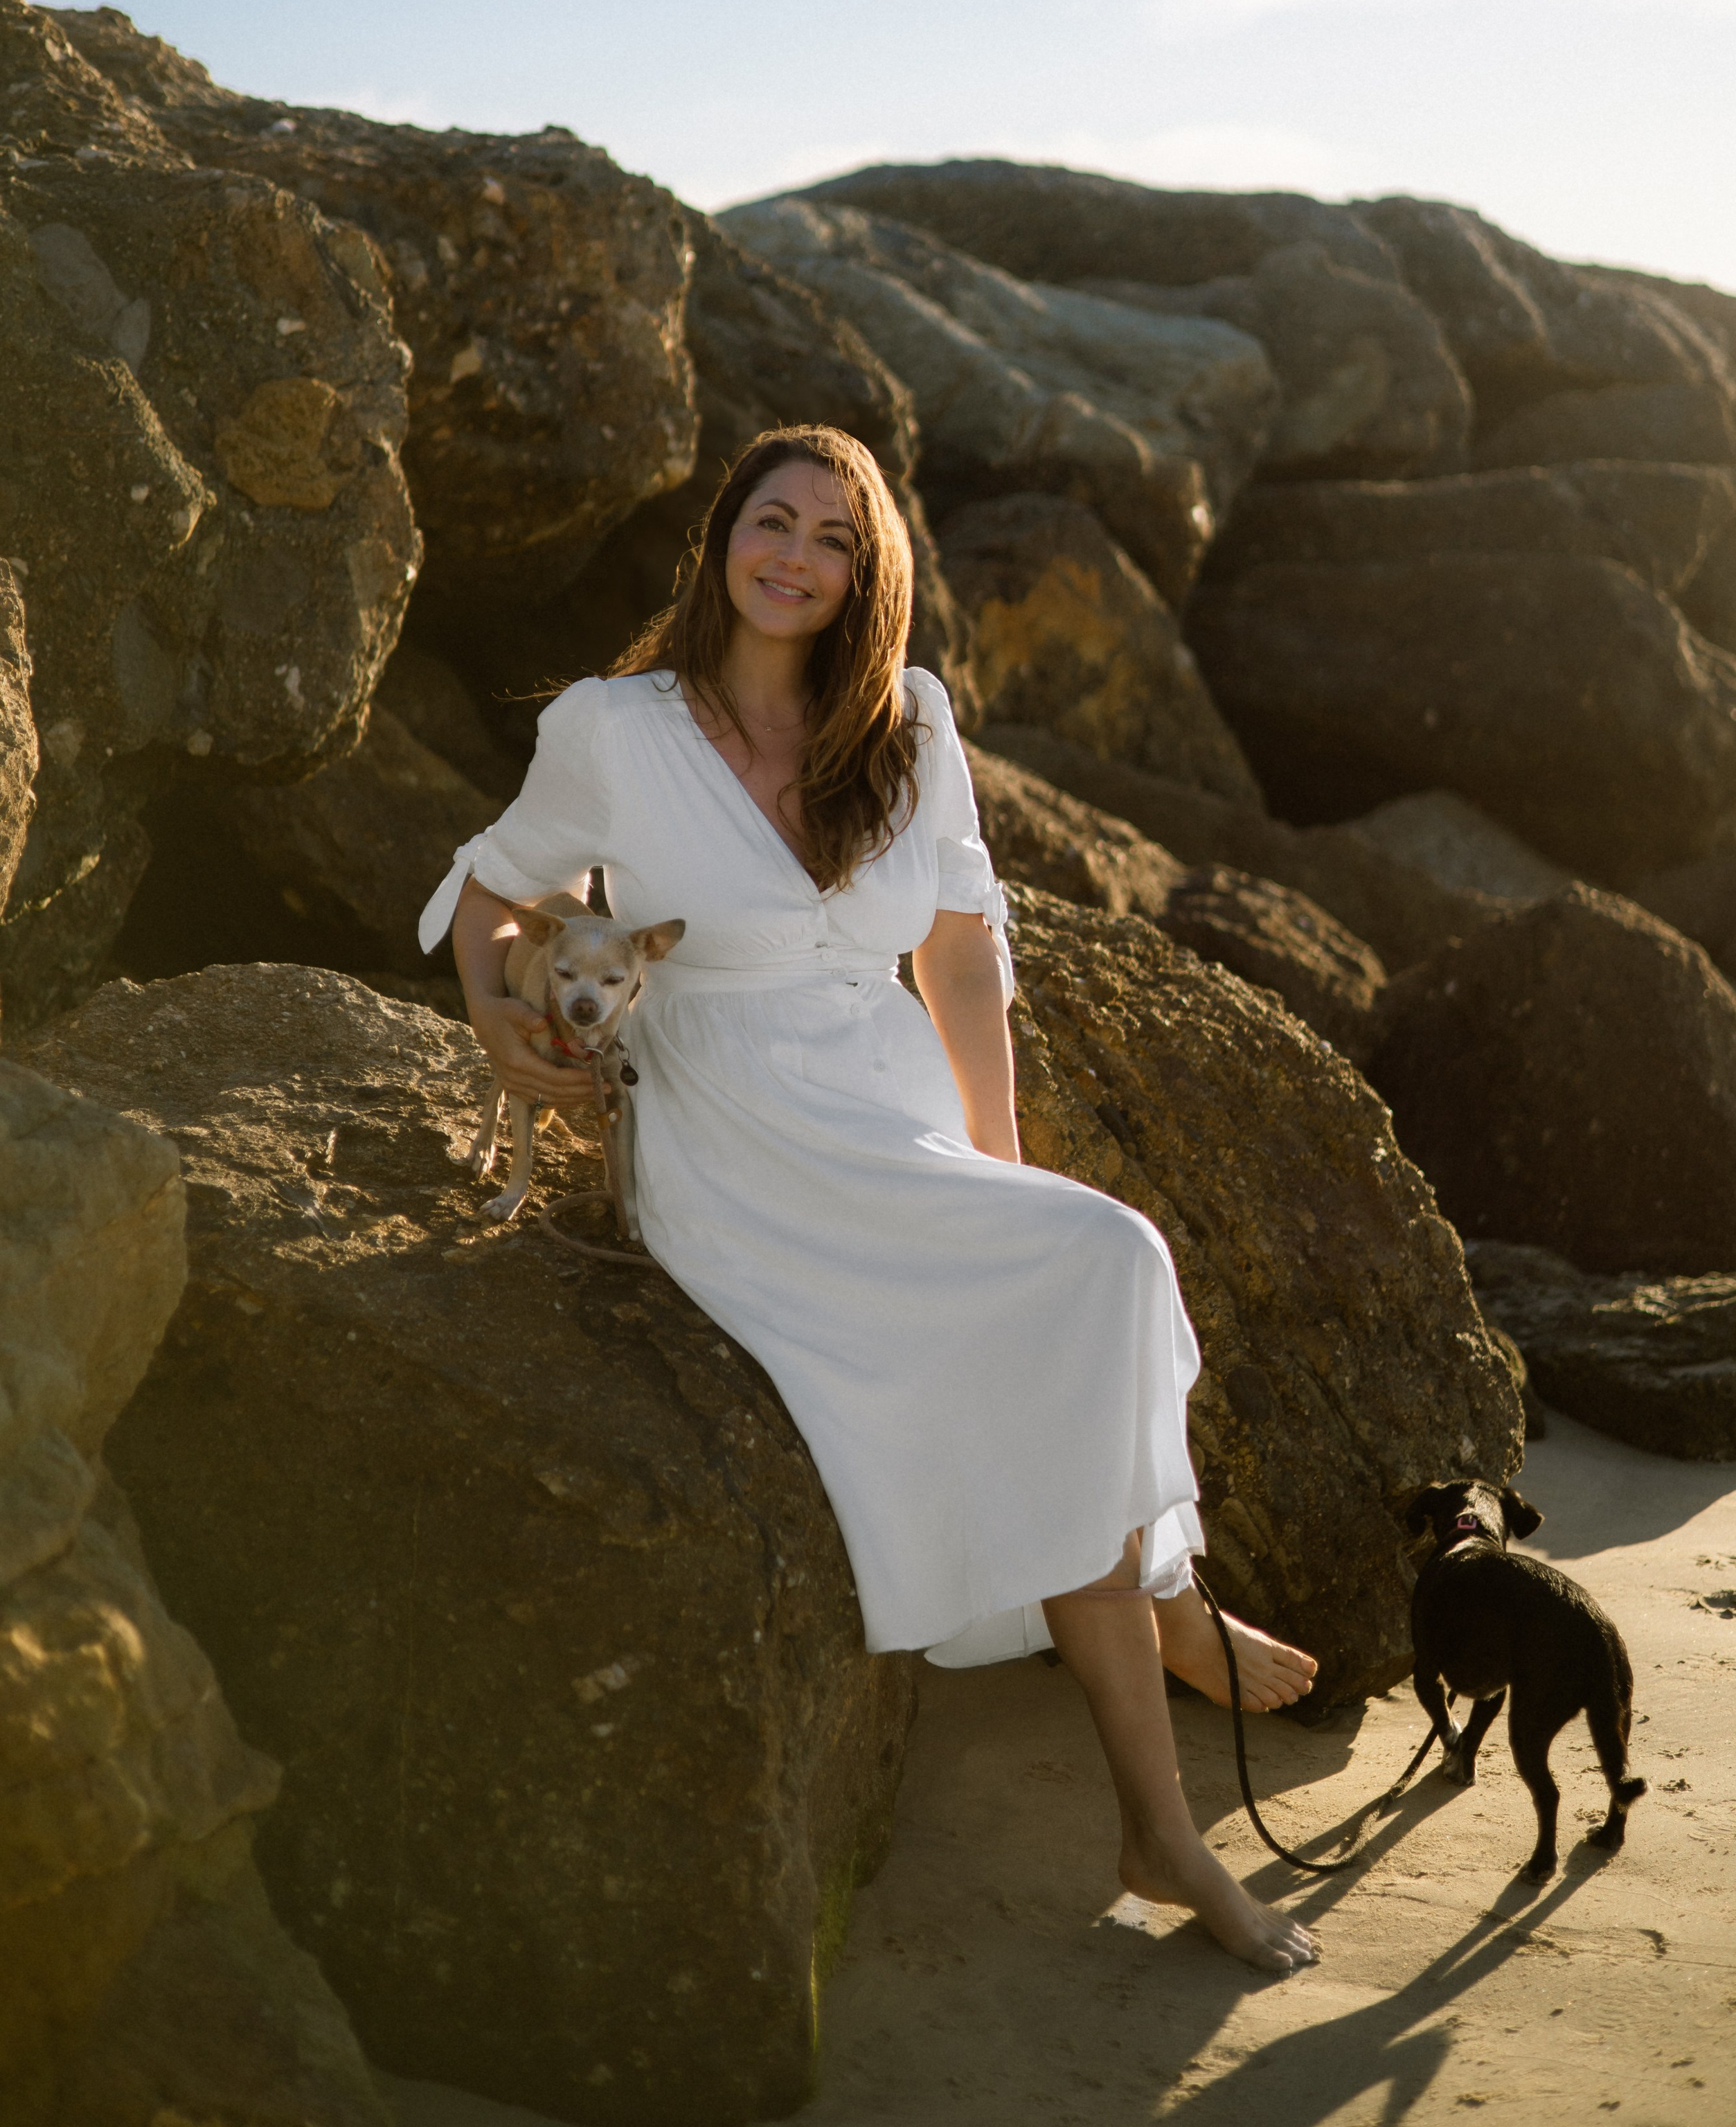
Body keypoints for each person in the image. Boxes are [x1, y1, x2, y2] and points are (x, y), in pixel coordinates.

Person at [418, 424, 1319, 1975]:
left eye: (833, 538)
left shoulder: (904, 718)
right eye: (768, 521)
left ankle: (1158, 1730)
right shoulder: (614, 727)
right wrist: (499, 1014)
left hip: (887, 1099)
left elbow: (961, 949)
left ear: (866, 573)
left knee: (1085, 1258)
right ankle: (1161, 1662)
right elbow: (493, 883)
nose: (794, 555)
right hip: (735, 1124)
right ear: (718, 544)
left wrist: (996, 1164)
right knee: (1092, 1275)